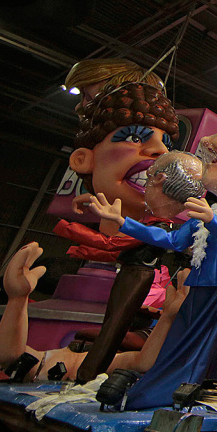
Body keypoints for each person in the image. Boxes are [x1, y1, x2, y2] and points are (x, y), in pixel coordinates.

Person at [87, 115, 217, 409]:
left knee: (197, 342)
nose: (207, 164)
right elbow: (172, 240)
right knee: (177, 337)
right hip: (197, 282)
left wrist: (212, 220)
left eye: (216, 160)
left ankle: (173, 390)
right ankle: (153, 387)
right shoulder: (207, 210)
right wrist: (123, 222)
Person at [57, 82, 182, 382]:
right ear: (82, 159)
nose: (161, 150)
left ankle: (89, 375)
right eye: (134, 137)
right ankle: (89, 374)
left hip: (143, 277)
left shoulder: (169, 221)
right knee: (113, 326)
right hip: (135, 272)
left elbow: (126, 240)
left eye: (166, 142)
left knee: (114, 328)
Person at [0, 243, 190, 382]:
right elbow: (11, 356)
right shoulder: (67, 354)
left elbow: (143, 362)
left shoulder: (117, 355)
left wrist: (168, 318)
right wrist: (17, 299)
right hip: (65, 361)